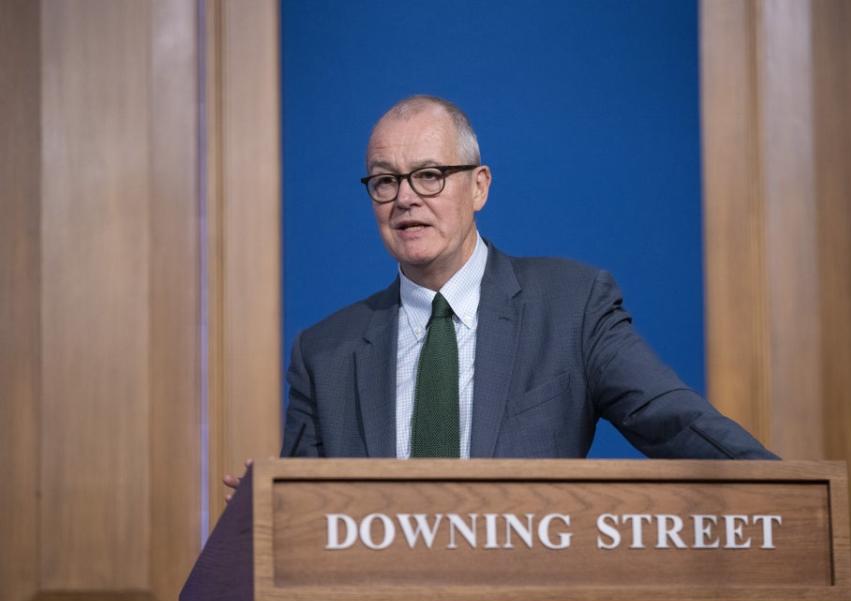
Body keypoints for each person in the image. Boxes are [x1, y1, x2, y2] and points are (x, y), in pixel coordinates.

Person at [225, 95, 775, 493]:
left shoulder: (572, 306)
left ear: (479, 186)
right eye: (385, 181)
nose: (406, 199)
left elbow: (675, 421)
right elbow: (306, 522)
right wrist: (265, 520)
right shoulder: (323, 354)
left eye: (431, 175)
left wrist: (786, 494)